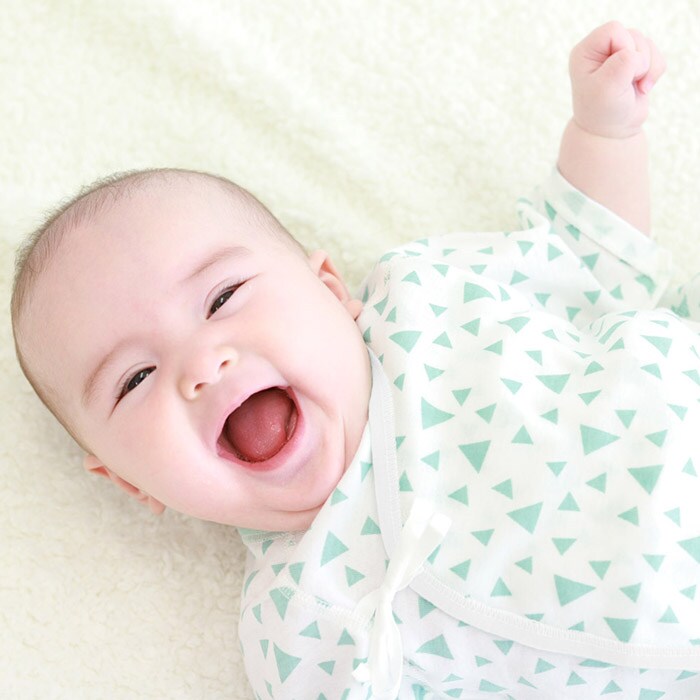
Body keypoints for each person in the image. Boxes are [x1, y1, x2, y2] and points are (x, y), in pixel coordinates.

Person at [10, 19, 700, 699]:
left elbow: (585, 255)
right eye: (136, 378)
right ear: (131, 483)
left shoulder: (431, 297)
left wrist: (604, 132)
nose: (202, 365)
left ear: (332, 291)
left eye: (221, 298)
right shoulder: (297, 633)